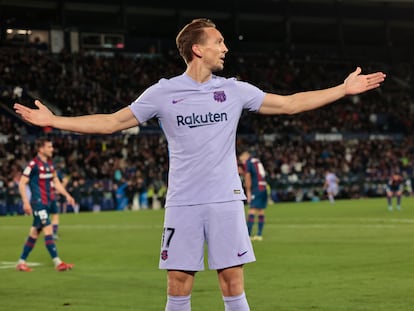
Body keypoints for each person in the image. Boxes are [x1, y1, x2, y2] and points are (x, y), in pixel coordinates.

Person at [14, 18, 386, 310]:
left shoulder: (235, 90)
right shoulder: (162, 92)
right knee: (178, 285)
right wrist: (54, 121)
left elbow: (289, 103)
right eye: (219, 42)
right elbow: (112, 122)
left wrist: (342, 89)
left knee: (232, 284)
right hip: (182, 203)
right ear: (197, 49)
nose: (225, 47)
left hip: (225, 200)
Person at [15, 137, 75, 272]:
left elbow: (56, 182)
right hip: (38, 203)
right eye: (49, 147)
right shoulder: (33, 165)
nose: (52, 149)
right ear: (41, 149)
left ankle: (21, 262)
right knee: (48, 229)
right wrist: (26, 202)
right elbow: (22, 183)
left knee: (34, 233)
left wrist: (67, 195)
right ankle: (58, 263)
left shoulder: (50, 164)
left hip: (48, 201)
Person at [239, 150, 268, 241]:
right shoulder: (257, 161)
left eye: (242, 159)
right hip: (263, 187)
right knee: (260, 210)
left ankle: (248, 234)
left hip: (257, 188)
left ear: (245, 156)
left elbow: (248, 176)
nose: (242, 162)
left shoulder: (248, 162)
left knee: (252, 209)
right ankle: (259, 234)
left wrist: (248, 191)